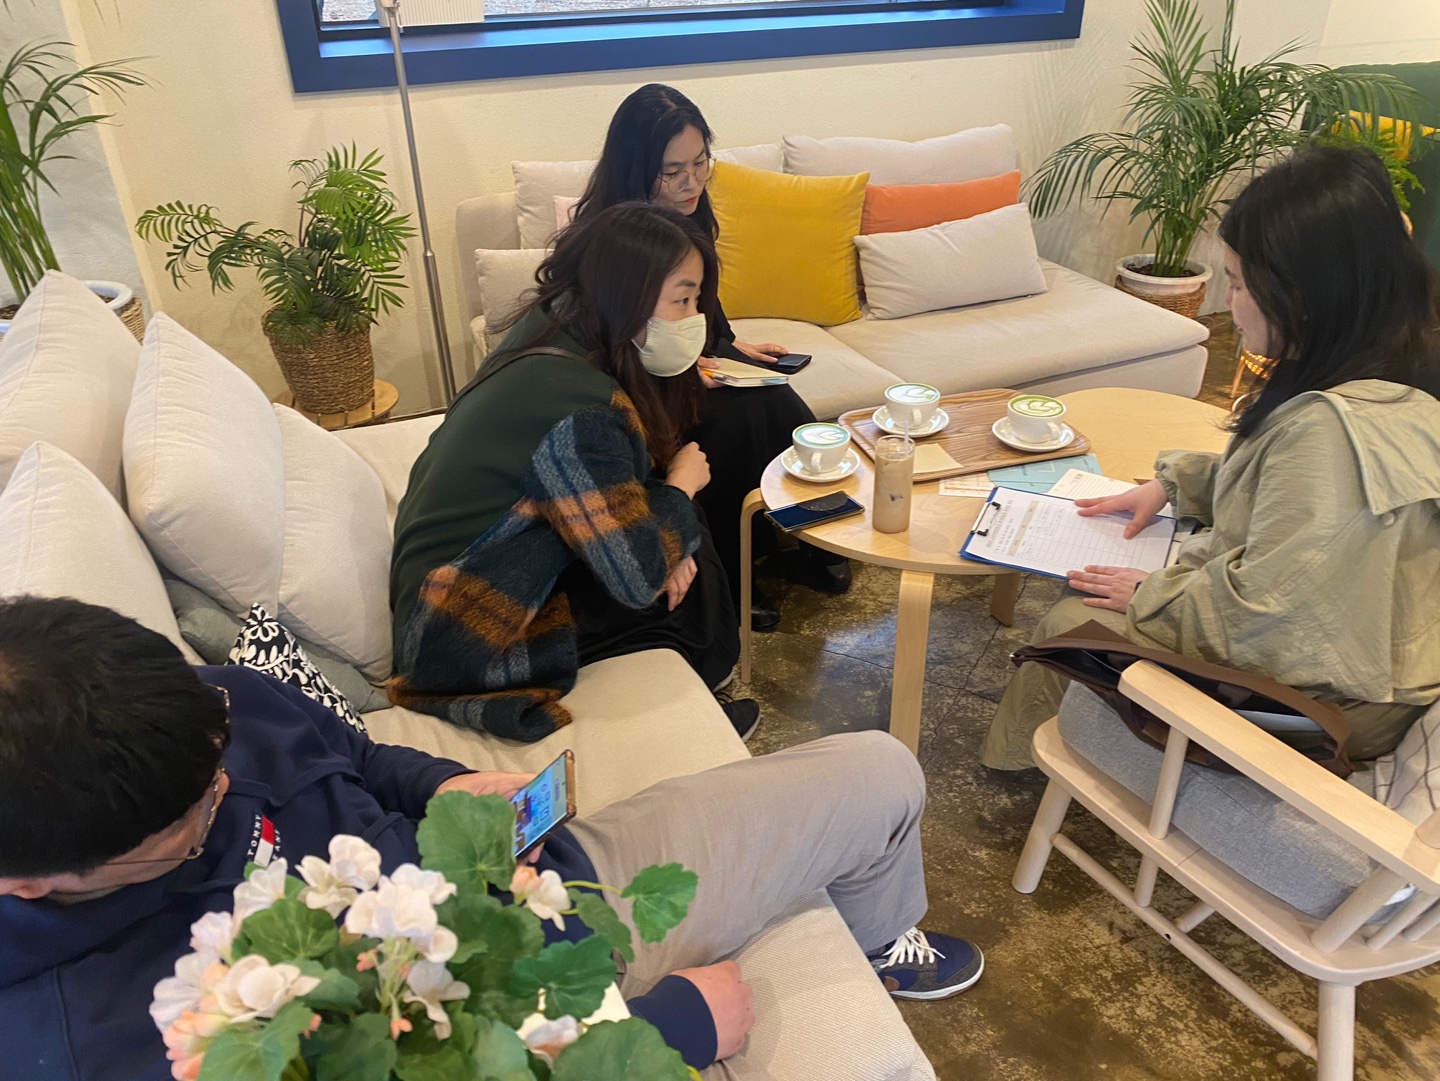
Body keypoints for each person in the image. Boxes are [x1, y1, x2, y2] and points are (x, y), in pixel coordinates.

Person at [0, 597, 985, 1081]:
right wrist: (668, 1029)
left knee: (880, 772)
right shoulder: (81, 1039)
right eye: (191, 821)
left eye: (220, 754)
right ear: (31, 882)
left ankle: (874, 944)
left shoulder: (207, 704)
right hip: (516, 1032)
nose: (227, 788)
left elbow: (355, 751)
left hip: (552, 882)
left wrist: (444, 783)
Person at [984, 143, 1440, 771]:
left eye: (1240, 283)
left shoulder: (1328, 432)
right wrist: (1178, 484)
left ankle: (1030, 767)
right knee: (1119, 580)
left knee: (1071, 620)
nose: (1226, 302)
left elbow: (1273, 621)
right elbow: (1315, 500)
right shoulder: (1395, 371)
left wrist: (1154, 596)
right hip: (1378, 662)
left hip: (1328, 706)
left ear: (1309, 295)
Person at [390, 201, 758, 743]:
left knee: (676, 534)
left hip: (459, 581)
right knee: (676, 557)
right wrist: (679, 492)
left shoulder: (555, 323)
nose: (694, 318)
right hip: (460, 630)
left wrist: (668, 526)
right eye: (683, 299)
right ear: (627, 296)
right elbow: (637, 576)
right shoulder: (582, 410)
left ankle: (698, 685)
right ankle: (695, 714)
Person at [573, 83, 853, 632]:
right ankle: (734, 573)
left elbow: (699, 302)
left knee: (780, 400)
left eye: (701, 163)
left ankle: (814, 535)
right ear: (635, 169)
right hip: (638, 376)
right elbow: (607, 343)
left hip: (692, 357)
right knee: (730, 422)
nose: (691, 182)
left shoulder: (691, 211)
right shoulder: (608, 238)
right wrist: (689, 366)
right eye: (672, 171)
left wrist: (727, 344)